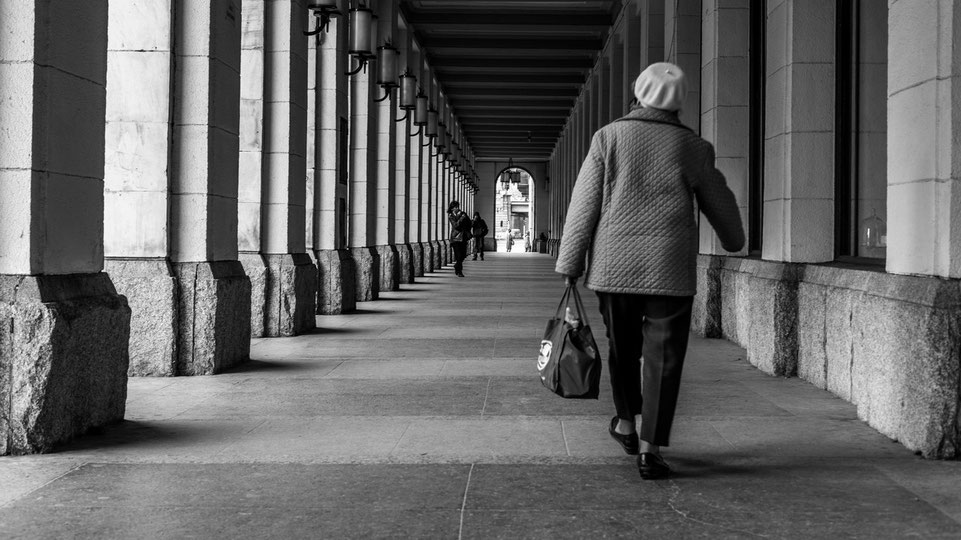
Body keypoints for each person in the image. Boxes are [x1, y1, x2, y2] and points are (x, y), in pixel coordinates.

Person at [555, 62, 745, 480]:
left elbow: (583, 203)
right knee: (664, 359)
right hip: (670, 270)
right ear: (680, 102)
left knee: (623, 349)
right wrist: (734, 239)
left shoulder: (609, 137)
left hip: (614, 266)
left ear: (638, 93)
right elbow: (724, 207)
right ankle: (650, 447)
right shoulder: (693, 147)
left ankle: (625, 421)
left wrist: (570, 261)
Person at [447, 201, 472, 277]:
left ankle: (457, 266)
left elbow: (469, 223)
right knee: (458, 255)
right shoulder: (451, 216)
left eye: (458, 206)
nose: (457, 208)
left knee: (463, 255)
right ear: (452, 208)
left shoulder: (463, 214)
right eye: (455, 207)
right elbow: (456, 225)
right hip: (455, 238)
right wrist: (462, 218)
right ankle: (459, 271)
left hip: (463, 237)